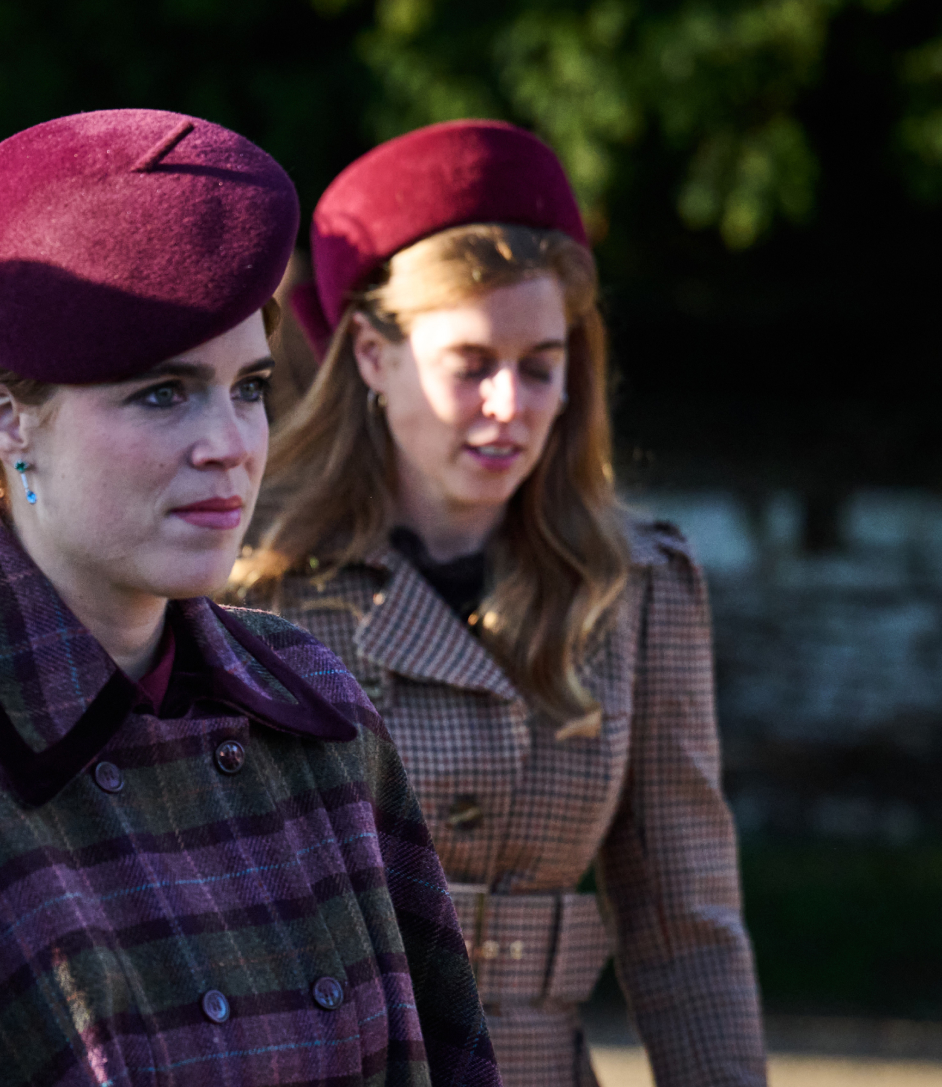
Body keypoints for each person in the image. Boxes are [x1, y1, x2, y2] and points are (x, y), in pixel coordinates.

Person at [0, 109, 499, 1087]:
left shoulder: (321, 715)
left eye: (247, 387)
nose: (229, 442)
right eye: (161, 392)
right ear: (5, 420)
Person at [235, 120, 767, 1086]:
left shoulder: (634, 584)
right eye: (471, 363)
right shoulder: (254, 585)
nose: (509, 405)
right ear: (368, 353)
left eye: (541, 364)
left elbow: (684, 924)